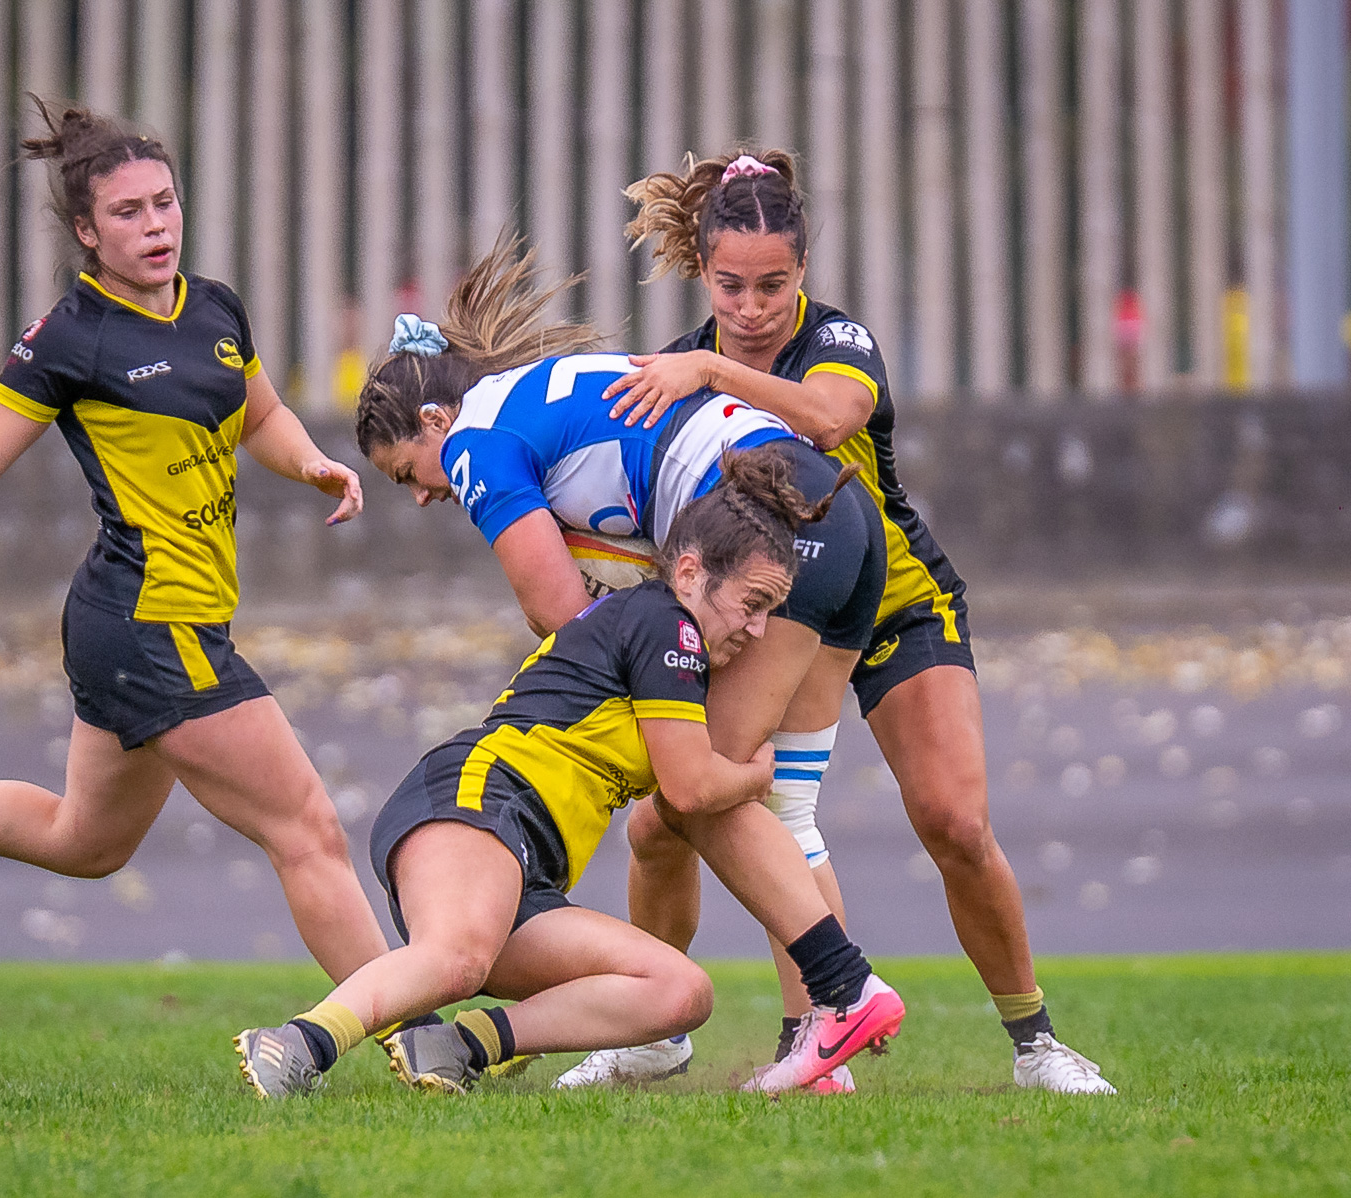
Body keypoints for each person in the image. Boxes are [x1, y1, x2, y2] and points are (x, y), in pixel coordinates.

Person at [0, 99, 389, 986]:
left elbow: (263, 414)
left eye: (164, 203)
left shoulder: (213, 308)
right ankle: (415, 1034)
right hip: (145, 624)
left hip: (155, 622)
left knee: (84, 842)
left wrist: (313, 463)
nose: (155, 225)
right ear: (88, 232)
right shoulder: (69, 340)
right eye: (128, 213)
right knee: (309, 829)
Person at [599, 148, 1115, 1094]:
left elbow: (829, 422)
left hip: (894, 604)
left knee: (955, 823)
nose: (752, 308)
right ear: (701, 270)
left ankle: (1036, 1044)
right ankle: (656, 1032)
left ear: (804, 274)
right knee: (666, 821)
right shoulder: (674, 368)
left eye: (774, 285)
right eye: (730, 286)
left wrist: (711, 367)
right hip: (769, 614)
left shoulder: (836, 344)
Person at [354, 239, 888, 1092]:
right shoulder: (535, 398)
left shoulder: (474, 441)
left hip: (774, 527)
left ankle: (841, 996)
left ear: (431, 425)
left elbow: (556, 610)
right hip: (837, 518)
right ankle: (756, 1042)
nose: (425, 492)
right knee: (712, 810)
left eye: (406, 474)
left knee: (699, 787)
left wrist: (607, 677)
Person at [235, 448, 904, 1099]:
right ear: (692, 572)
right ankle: (296, 1043)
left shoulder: (671, 636)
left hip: (525, 865)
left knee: (679, 992)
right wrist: (757, 777)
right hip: (475, 804)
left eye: (770, 610)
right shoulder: (666, 624)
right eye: (753, 603)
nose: (759, 631)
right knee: (458, 957)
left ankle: (458, 1047)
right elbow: (691, 789)